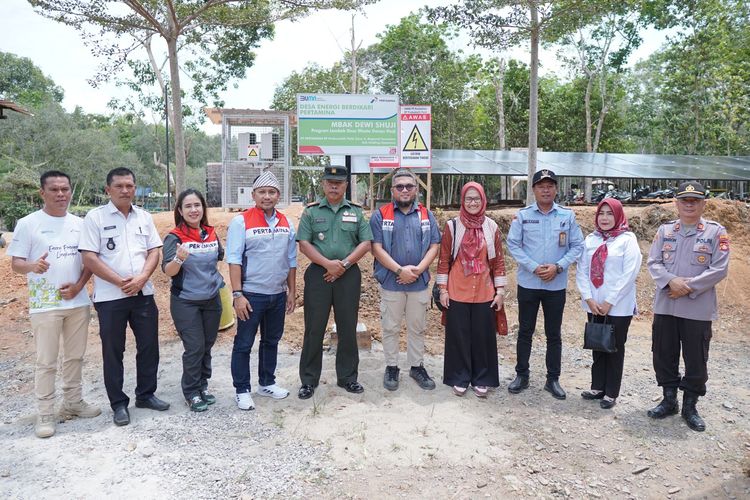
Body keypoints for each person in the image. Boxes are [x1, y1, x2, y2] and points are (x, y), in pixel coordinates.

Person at [8, 171, 101, 438]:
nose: (61, 194)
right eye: (54, 190)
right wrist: (32, 266)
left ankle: (72, 402)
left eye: (65, 189)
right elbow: (16, 264)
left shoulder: (80, 224)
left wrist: (79, 286)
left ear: (71, 191)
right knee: (46, 361)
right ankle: (45, 413)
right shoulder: (28, 224)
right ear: (42, 193)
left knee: (75, 357)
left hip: (77, 302)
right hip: (45, 304)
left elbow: (89, 262)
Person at [79, 167, 168, 427]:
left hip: (143, 293)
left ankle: (146, 394)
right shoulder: (94, 218)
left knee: (149, 346)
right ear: (108, 190)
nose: (125, 190)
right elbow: (89, 257)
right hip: (110, 297)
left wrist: (141, 278)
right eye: (119, 186)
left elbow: (154, 250)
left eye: (129, 185)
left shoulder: (144, 217)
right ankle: (118, 404)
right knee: (113, 350)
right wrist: (119, 282)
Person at [646, 181, 729, 432]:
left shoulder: (716, 232)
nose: (689, 204)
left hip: (697, 308)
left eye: (695, 200)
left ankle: (690, 406)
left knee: (696, 358)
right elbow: (653, 262)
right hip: (666, 307)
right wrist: (671, 281)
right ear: (676, 203)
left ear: (704, 203)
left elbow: (719, 268)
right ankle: (669, 400)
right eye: (684, 200)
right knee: (663, 353)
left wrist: (687, 287)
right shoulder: (665, 231)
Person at [506, 169, 584, 400]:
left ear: (556, 189)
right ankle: (522, 375)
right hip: (529, 282)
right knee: (525, 331)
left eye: (550, 185)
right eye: (541, 186)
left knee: (554, 334)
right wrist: (532, 266)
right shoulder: (523, 216)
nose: (546, 189)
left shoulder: (567, 216)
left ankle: (553, 379)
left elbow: (577, 246)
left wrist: (558, 267)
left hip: (555, 284)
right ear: (533, 190)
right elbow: (513, 244)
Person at [296, 166, 373, 399]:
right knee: (314, 328)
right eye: (329, 181)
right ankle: (309, 380)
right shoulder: (310, 212)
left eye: (338, 182)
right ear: (323, 184)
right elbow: (304, 243)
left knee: (348, 327)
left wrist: (343, 265)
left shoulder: (357, 212)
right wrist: (328, 265)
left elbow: (366, 243)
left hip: (348, 276)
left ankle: (348, 378)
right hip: (318, 274)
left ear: (346, 185)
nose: (334, 186)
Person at [226, 171, 297, 410]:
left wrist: (291, 291)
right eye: (262, 192)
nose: (267, 196)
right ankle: (242, 389)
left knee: (271, 340)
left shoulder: (287, 222)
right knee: (244, 342)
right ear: (254, 195)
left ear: (278, 195)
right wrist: (237, 295)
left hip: (277, 294)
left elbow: (291, 260)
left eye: (272, 192)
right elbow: (234, 260)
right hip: (251, 294)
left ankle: (266, 382)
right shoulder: (241, 221)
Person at [370, 169, 441, 391]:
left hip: (418, 283)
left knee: (417, 327)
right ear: (392, 190)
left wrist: (418, 270)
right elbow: (376, 248)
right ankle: (392, 366)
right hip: (392, 282)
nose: (404, 190)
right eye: (399, 186)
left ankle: (416, 366)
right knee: (390, 327)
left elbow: (435, 245)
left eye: (409, 186)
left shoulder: (426, 215)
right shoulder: (381, 215)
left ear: (416, 189)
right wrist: (400, 270)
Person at [436, 182, 508, 397]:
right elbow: (443, 261)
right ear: (463, 201)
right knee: (459, 336)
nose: (473, 202)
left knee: (482, 337)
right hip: (457, 289)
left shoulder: (491, 227)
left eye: (477, 198)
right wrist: (443, 290)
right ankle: (460, 376)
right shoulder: (453, 226)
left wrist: (501, 291)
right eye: (469, 199)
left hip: (485, 291)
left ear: (483, 200)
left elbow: (498, 262)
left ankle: (482, 378)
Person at [575, 199, 642, 409]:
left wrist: (609, 301)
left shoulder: (627, 240)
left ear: (618, 215)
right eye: (601, 213)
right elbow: (581, 270)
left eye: (610, 214)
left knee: (614, 347)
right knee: (598, 344)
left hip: (618, 306)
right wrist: (589, 298)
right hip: (594, 304)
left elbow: (629, 273)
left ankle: (611, 392)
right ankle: (597, 387)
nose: (605, 218)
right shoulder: (590, 239)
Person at [162, 189, 224, 412]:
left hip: (211, 300)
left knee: (207, 345)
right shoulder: (174, 237)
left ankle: (202, 385)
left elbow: (220, 257)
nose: (193, 210)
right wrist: (179, 258)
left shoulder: (211, 233)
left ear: (203, 209)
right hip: (185, 301)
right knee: (194, 346)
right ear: (180, 210)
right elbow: (168, 271)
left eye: (197, 205)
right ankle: (190, 391)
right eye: (188, 206)